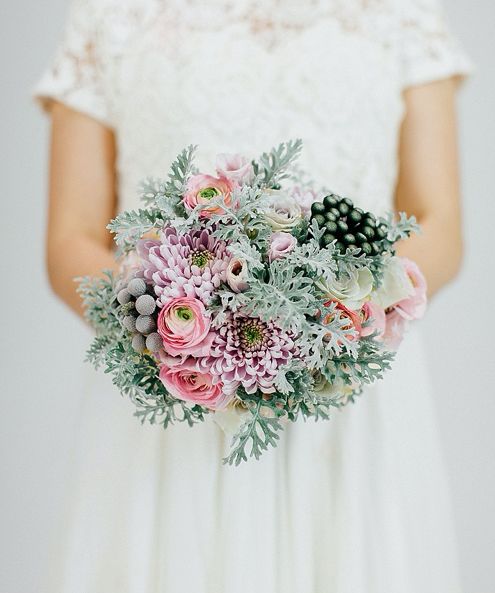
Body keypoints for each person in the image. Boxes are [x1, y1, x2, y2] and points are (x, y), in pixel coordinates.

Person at [35, 0, 471, 591]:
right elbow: (72, 238)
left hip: (353, 393)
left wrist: (342, 316)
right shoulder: (107, 12)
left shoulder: (403, 10)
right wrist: (180, 324)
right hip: (174, 397)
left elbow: (439, 221)